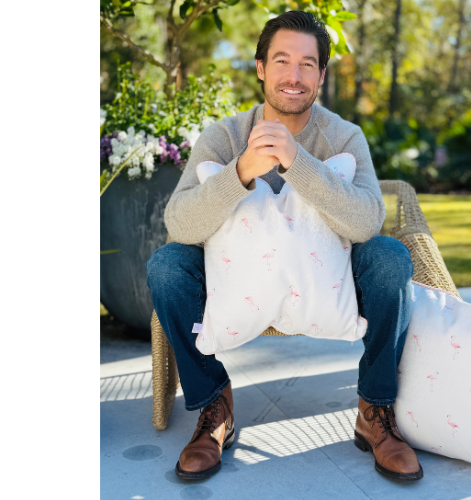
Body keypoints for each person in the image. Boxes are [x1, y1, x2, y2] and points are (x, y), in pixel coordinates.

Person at [146, 10, 422, 481]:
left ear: (321, 74)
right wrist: (239, 173)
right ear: (260, 68)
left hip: (327, 274)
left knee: (391, 258)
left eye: (307, 64)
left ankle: (373, 409)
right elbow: (180, 223)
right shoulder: (223, 136)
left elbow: (367, 221)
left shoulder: (343, 136)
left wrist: (298, 163)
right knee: (166, 267)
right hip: (234, 277)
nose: (294, 76)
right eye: (281, 61)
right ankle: (215, 405)